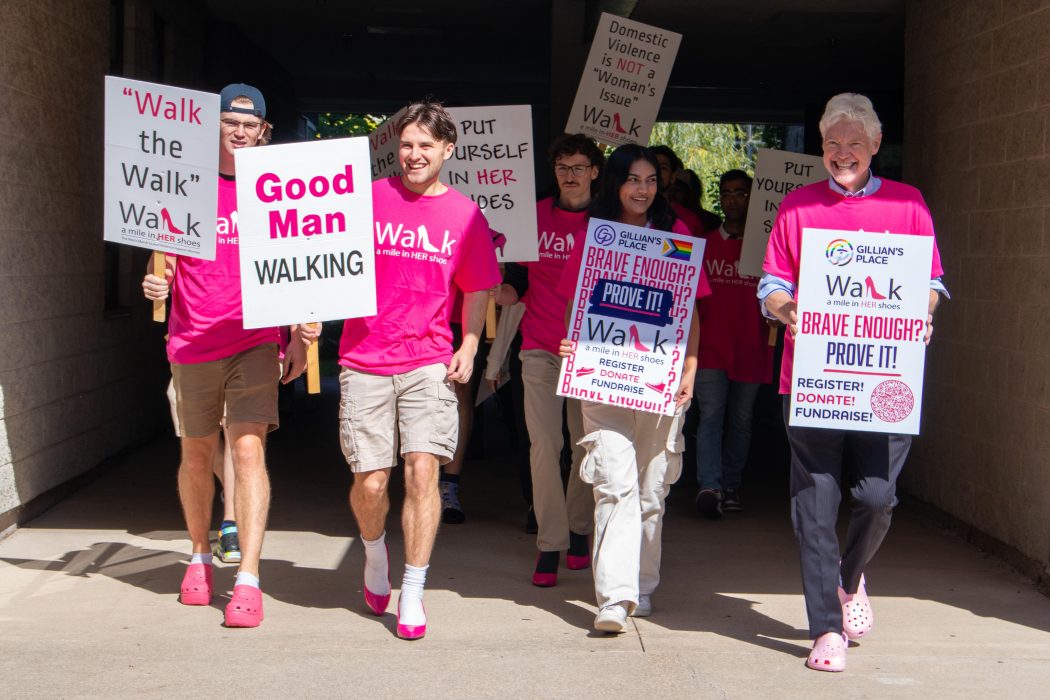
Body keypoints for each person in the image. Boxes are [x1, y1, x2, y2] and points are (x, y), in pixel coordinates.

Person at [759, 93, 947, 672]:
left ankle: (850, 576)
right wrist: (788, 310)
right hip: (814, 377)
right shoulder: (796, 207)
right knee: (815, 504)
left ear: (873, 146)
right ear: (822, 147)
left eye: (853, 144)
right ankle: (825, 630)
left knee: (876, 496)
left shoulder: (909, 205)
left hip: (886, 379)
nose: (842, 154)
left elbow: (935, 281)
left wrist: (925, 312)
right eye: (832, 144)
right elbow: (770, 283)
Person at [301, 101, 500, 640]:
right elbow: (320, 253)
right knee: (370, 482)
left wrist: (472, 340)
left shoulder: (465, 214)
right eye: (407, 145)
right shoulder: (365, 198)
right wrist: (311, 315)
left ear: (447, 151)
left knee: (423, 471)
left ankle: (413, 587)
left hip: (429, 359)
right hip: (364, 358)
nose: (414, 155)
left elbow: (479, 283)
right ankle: (372, 554)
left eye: (426, 146)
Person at [142, 83, 306, 628]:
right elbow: (158, 264)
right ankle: (198, 556)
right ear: (213, 127)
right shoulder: (184, 188)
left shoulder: (280, 190)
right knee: (195, 456)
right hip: (191, 344)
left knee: (249, 453)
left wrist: (304, 339)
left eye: (249, 124)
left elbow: (304, 262)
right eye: (229, 123)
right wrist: (154, 286)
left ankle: (249, 579)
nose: (239, 132)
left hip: (255, 343)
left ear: (263, 131)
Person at [557, 144, 710, 633]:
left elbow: (693, 314)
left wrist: (689, 368)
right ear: (615, 184)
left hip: (660, 382)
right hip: (602, 378)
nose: (642, 189)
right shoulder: (592, 236)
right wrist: (572, 345)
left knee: (649, 489)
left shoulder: (677, 235)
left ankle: (642, 585)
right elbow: (575, 304)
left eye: (650, 180)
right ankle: (614, 597)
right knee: (612, 482)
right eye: (633, 180)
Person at [494, 133, 603, 587]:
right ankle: (549, 542)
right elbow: (516, 278)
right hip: (538, 346)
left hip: (591, 349)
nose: (571, 175)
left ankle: (580, 529)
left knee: (584, 445)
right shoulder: (531, 216)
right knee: (543, 445)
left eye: (580, 167)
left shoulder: (609, 221)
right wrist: (499, 287)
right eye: (563, 167)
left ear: (595, 172)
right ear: (554, 172)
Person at [694, 170, 774, 519]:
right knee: (710, 416)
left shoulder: (768, 247)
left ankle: (731, 484)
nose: (732, 200)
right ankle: (709, 485)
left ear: (752, 198)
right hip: (711, 346)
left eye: (741, 193)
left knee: (741, 420)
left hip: (753, 345)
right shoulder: (704, 243)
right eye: (726, 193)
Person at [650, 145, 720, 233]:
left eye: (663, 168)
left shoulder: (688, 220)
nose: (657, 172)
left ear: (673, 176)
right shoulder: (629, 212)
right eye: (652, 166)